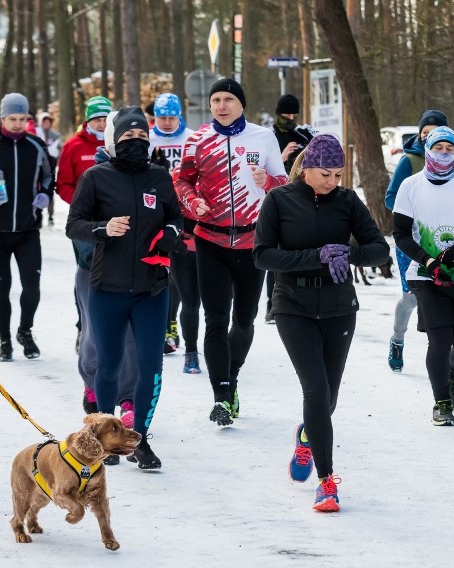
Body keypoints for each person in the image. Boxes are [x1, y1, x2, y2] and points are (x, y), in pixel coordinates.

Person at [254, 134, 389, 512]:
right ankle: (327, 482)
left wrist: (348, 252)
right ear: (307, 168)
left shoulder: (347, 201)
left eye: (339, 174)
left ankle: (307, 435)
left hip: (339, 307)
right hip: (292, 305)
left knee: (327, 399)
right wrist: (317, 256)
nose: (333, 181)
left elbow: (379, 248)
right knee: (315, 390)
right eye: (326, 173)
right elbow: (263, 256)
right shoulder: (279, 200)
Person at [66, 106, 183, 469]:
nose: (136, 142)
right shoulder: (95, 177)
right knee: (110, 364)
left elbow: (176, 216)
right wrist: (102, 228)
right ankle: (104, 440)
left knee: (150, 366)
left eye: (142, 137)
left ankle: (141, 440)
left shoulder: (159, 177)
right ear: (114, 141)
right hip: (107, 288)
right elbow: (74, 224)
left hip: (152, 288)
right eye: (128, 137)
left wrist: (170, 234)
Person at [174, 78, 288, 426]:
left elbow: (283, 184)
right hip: (210, 240)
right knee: (216, 319)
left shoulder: (263, 137)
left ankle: (231, 375)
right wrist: (193, 202)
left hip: (253, 242)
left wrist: (266, 181)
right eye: (216, 100)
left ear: (241, 103)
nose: (221, 106)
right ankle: (221, 394)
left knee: (244, 320)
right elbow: (181, 180)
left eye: (228, 99)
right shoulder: (197, 140)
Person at [392, 126, 454, 426]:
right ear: (427, 148)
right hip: (427, 276)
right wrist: (428, 261)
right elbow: (401, 234)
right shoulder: (411, 186)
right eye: (438, 147)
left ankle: (453, 371)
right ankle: (441, 402)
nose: (444, 154)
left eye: (449, 148)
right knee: (439, 341)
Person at [0, 92, 54, 362]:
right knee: (1, 287)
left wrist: (45, 195)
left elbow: (50, 177)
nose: (17, 124)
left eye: (22, 119)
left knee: (32, 285)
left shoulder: (37, 145)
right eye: (12, 119)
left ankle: (25, 332)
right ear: (2, 118)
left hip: (28, 230)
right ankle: (5, 341)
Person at [56, 95, 113, 412]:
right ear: (88, 121)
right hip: (85, 224)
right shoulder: (74, 146)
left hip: (117, 222)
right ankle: (86, 324)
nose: (102, 124)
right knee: (89, 275)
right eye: (97, 120)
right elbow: (62, 182)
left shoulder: (118, 142)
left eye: (106, 119)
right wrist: (80, 200)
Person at [383, 109, 449, 372]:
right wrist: (414, 207)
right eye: (425, 134)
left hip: (444, 241)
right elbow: (390, 198)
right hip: (412, 241)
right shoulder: (409, 161)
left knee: (445, 299)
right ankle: (397, 340)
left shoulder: (452, 161)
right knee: (411, 299)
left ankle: (446, 359)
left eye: (435, 134)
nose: (430, 139)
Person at [149, 93, 200, 369]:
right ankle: (166, 324)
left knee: (181, 276)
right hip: (155, 212)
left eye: (172, 117)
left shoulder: (192, 138)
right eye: (162, 118)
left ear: (180, 116)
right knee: (162, 274)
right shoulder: (147, 139)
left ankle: (172, 325)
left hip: (186, 214)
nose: (167, 123)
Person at [266, 93, 316, 323]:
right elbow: (262, 167)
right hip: (274, 196)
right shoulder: (269, 136)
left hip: (300, 195)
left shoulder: (302, 134)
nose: (290, 118)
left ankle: (296, 300)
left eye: (294, 114)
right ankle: (272, 304)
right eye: (286, 114)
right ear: (278, 113)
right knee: (274, 250)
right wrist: (283, 155)